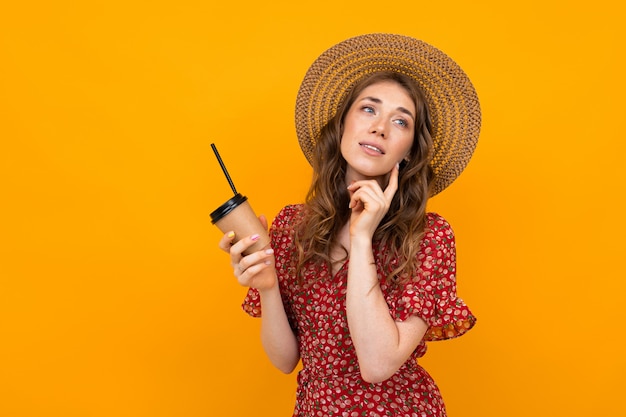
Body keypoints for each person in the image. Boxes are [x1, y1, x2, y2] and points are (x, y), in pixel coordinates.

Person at [218, 33, 480, 416]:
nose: (380, 128)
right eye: (369, 110)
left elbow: (377, 366)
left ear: (408, 152)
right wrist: (269, 286)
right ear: (342, 123)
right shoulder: (293, 225)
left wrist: (361, 239)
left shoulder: (428, 237)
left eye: (401, 121)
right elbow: (285, 360)